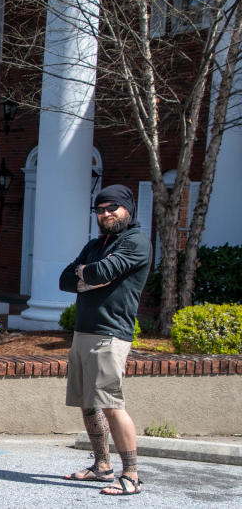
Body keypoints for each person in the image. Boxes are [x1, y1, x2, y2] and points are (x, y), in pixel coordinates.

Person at [59, 184, 151, 496]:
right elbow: (65, 279)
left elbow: (103, 272)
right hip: (84, 331)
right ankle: (102, 466)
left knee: (111, 405)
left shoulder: (136, 242)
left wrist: (87, 275)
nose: (106, 214)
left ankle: (132, 475)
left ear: (128, 209)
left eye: (113, 208)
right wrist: (90, 274)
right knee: (88, 403)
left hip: (110, 334)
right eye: (100, 210)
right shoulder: (95, 245)